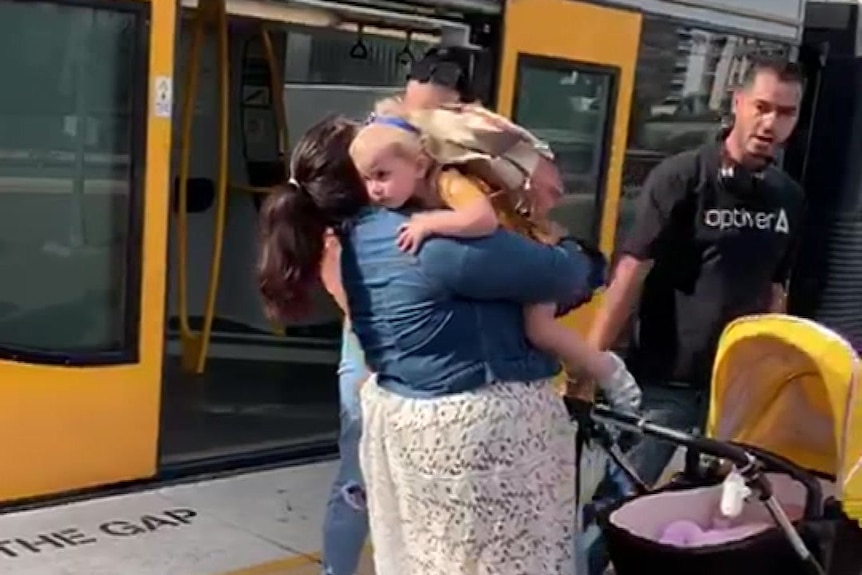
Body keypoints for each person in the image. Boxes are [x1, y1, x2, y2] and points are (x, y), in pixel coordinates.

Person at [258, 115, 601, 574]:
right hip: (477, 438)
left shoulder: (349, 239)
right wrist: (581, 255)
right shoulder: (425, 241)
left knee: (433, 558)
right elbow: (560, 274)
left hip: (408, 426)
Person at [578, 56, 806, 574]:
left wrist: (774, 385)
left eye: (786, 113)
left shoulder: (790, 197)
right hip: (665, 383)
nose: (772, 123)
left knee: (720, 521)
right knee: (613, 512)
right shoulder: (682, 176)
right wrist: (589, 367)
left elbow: (776, 293)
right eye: (763, 107)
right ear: (738, 104)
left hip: (738, 394)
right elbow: (630, 272)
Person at [349, 99, 640, 411]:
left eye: (382, 176)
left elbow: (482, 219)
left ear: (419, 166)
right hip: (511, 259)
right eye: (366, 179)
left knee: (539, 329)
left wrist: (430, 223)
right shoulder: (412, 198)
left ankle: (610, 373)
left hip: (530, 243)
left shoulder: (448, 181)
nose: (374, 190)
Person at [314, 45, 482, 575]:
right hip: (372, 346)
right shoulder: (375, 158)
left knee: (380, 483)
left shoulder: (457, 161)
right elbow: (330, 256)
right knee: (361, 478)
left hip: (418, 345)